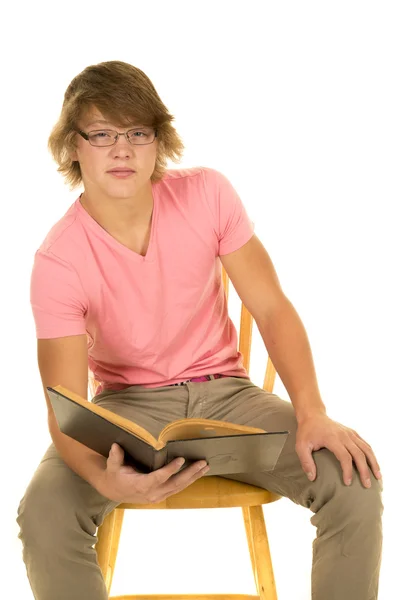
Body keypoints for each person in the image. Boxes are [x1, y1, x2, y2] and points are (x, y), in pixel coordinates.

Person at [17, 60, 383, 600]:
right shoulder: (58, 260)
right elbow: (65, 405)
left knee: (354, 479)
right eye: (102, 134)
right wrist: (102, 479)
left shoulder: (207, 194)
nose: (122, 149)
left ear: (159, 140)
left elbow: (273, 308)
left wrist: (311, 411)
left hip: (230, 399)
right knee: (44, 513)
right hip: (126, 414)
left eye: (138, 132)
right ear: (73, 146)